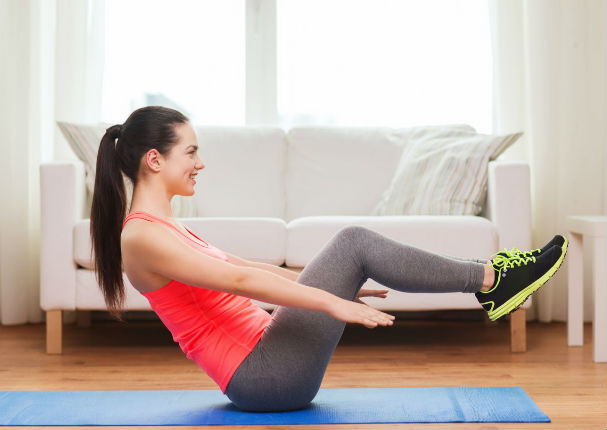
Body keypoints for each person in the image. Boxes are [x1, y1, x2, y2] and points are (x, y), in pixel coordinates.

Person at [90, 105, 568, 412]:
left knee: (350, 247)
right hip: (263, 377)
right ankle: (492, 281)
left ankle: (491, 281)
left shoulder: (167, 227)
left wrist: (331, 284)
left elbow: (255, 267)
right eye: (191, 152)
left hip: (268, 356)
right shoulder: (140, 238)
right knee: (353, 240)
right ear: (155, 160)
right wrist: (333, 303)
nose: (200, 163)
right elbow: (235, 279)